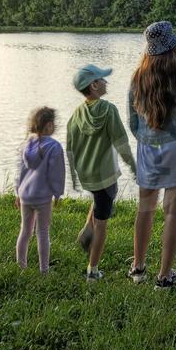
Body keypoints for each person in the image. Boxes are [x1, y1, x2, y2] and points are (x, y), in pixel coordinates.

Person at [126, 21, 176, 289]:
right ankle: (165, 275)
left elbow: (132, 121)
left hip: (148, 148)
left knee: (145, 209)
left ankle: (137, 267)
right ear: (172, 47)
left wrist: (147, 139)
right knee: (172, 212)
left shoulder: (137, 77)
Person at [65, 64, 136, 282]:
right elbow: (122, 143)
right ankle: (93, 270)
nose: (107, 82)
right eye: (103, 79)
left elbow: (69, 147)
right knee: (103, 223)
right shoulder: (108, 110)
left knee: (99, 201)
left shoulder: (77, 113)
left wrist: (74, 176)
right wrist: (133, 166)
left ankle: (88, 226)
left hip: (88, 175)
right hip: (106, 177)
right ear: (94, 85)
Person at [16, 106, 65, 274]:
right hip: (43, 197)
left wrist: (18, 191)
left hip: (25, 195)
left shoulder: (26, 144)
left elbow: (20, 170)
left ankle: (21, 266)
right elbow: (56, 173)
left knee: (25, 230)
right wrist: (58, 192)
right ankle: (44, 270)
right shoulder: (54, 146)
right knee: (42, 232)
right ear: (49, 125)